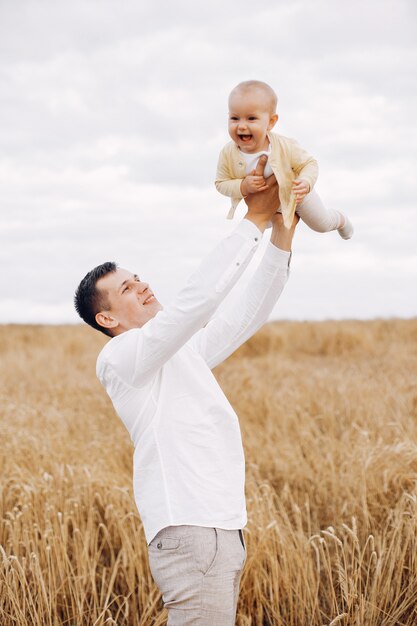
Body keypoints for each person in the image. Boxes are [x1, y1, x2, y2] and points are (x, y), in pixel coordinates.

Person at [74, 159, 298, 625]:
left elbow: (244, 316)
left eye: (139, 278)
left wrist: (281, 235)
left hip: (220, 530)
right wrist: (253, 220)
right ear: (108, 319)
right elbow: (199, 301)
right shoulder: (121, 359)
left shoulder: (177, 355)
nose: (144, 286)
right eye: (129, 289)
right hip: (191, 531)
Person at [215, 79, 354, 239]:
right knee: (264, 226)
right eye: (234, 118)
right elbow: (221, 183)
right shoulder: (228, 153)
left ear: (271, 122)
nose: (241, 126)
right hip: (266, 202)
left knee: (321, 224)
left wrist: (306, 182)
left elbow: (309, 163)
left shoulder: (284, 146)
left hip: (297, 195)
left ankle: (340, 219)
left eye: (251, 118)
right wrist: (243, 186)